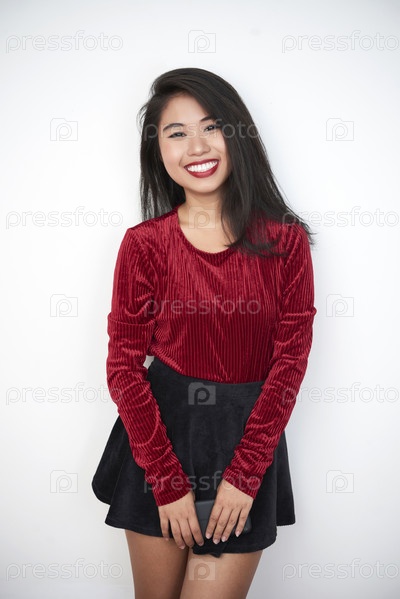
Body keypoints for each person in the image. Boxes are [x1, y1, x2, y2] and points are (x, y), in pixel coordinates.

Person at [92, 67, 317, 599]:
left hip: (246, 444)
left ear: (238, 135)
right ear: (159, 152)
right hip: (158, 443)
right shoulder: (144, 245)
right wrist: (166, 481)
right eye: (177, 133)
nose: (196, 146)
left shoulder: (285, 242)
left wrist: (246, 474)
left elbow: (289, 364)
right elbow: (123, 367)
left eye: (212, 126)